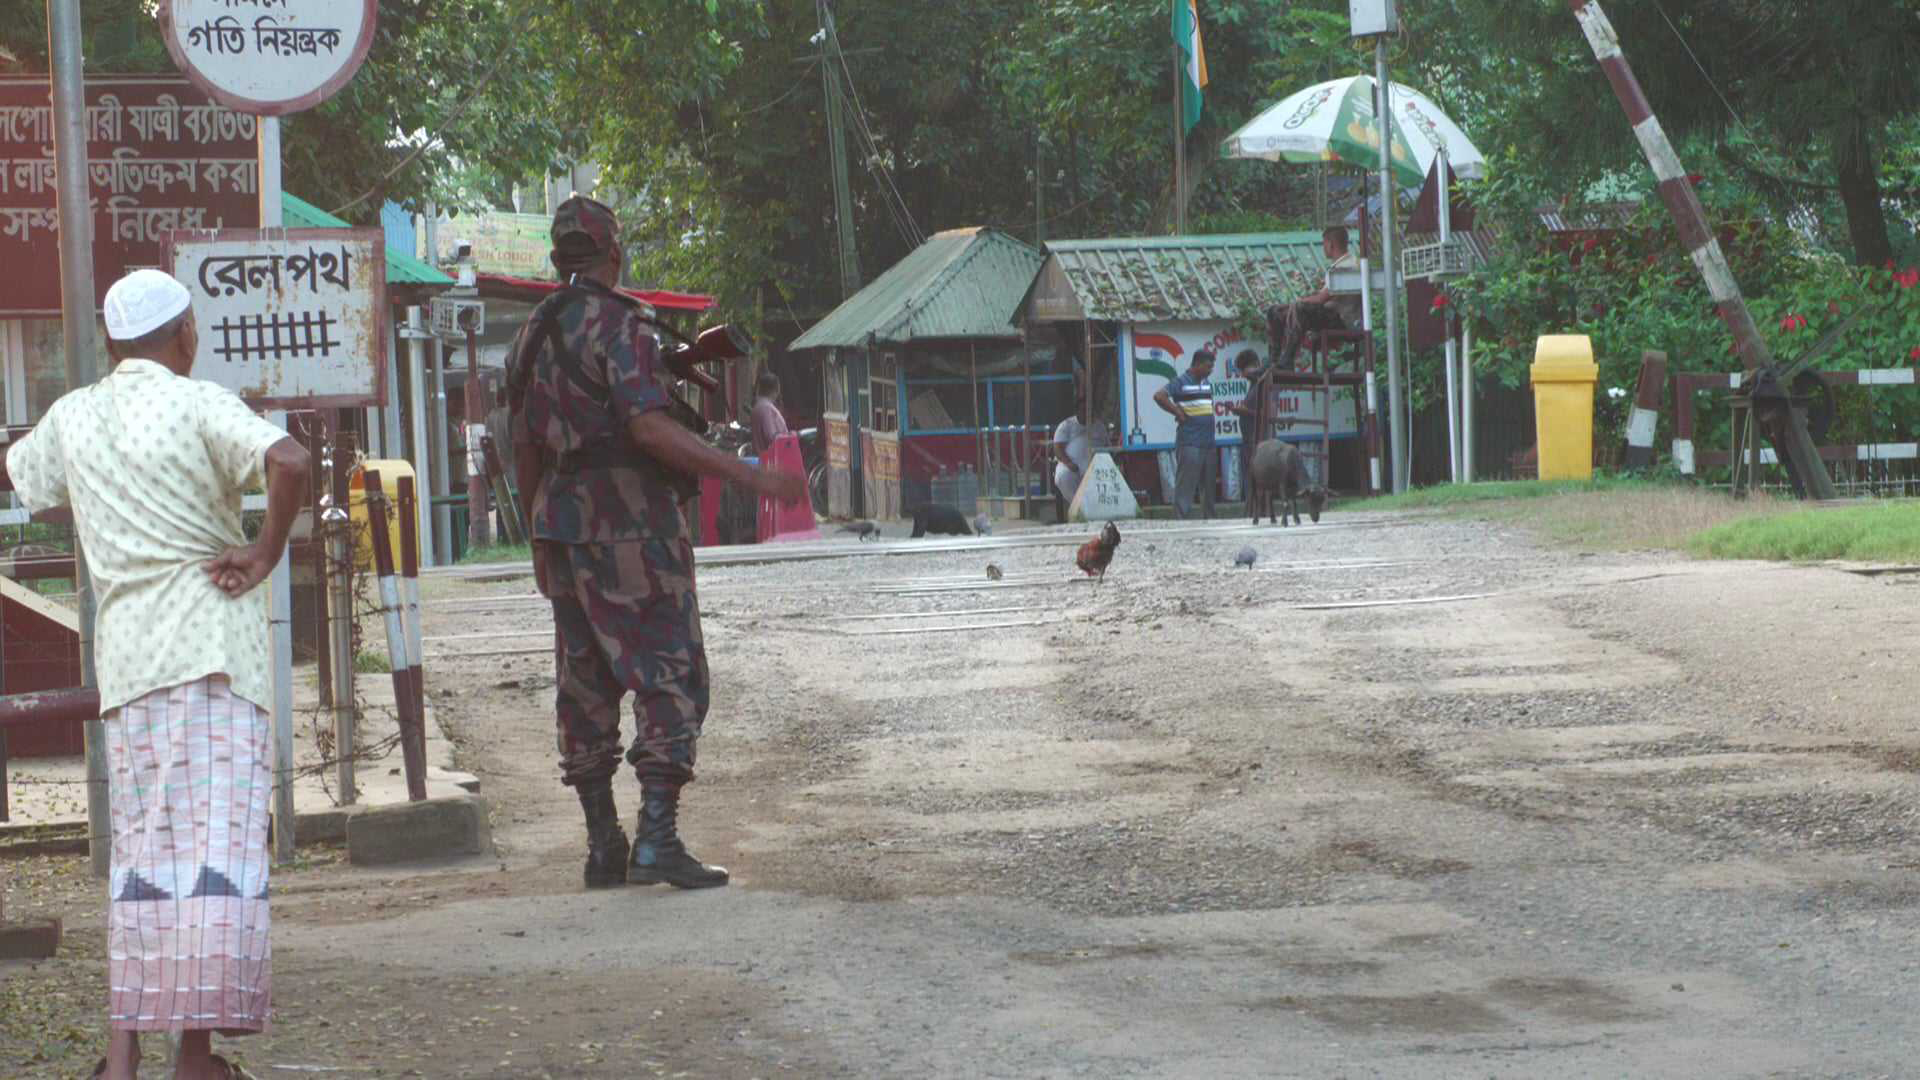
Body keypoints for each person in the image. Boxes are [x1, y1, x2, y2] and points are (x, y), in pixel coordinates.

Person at [6, 269, 311, 1080]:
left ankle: (121, 1058)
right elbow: (290, 460)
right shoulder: (197, 400)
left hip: (131, 657)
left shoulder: (74, 416)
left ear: (109, 344)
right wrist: (263, 550)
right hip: (211, 648)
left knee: (142, 859)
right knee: (212, 859)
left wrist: (108, 503)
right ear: (184, 335)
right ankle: (196, 1059)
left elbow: (24, 478)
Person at [506, 196, 805, 891]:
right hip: (632, 525)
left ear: (560, 257)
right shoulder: (622, 325)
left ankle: (603, 843)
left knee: (585, 684)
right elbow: (646, 428)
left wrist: (536, 533)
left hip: (563, 525)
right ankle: (658, 839)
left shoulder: (533, 331)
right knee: (670, 673)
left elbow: (523, 442)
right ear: (613, 253)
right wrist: (743, 472)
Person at [1266, 226, 1364, 371]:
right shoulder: (1339, 265)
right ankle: (1273, 361)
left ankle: (1287, 360)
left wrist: (1296, 303)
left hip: (1344, 321)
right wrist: (1290, 306)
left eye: (1324, 243)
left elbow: (1321, 299)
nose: (1323, 248)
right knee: (1275, 312)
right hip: (1332, 315)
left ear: (1330, 244)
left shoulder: (1348, 266)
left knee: (1300, 308)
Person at [1153, 347, 1217, 519]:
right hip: (1189, 442)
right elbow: (1159, 396)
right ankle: (1181, 521)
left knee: (1209, 487)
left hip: (1208, 442)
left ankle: (1210, 521)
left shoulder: (1206, 383)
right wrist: (1176, 411)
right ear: (1197, 365)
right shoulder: (1180, 381)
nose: (1210, 370)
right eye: (1208, 366)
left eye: (1212, 367)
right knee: (1186, 485)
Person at [1226, 348, 1273, 500]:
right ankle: (1253, 507)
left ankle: (1262, 507)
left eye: (1243, 370)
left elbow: (1268, 415)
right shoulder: (1253, 386)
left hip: (1260, 441)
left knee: (1261, 478)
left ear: (1255, 365)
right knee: (1252, 479)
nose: (1242, 375)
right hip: (1250, 441)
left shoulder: (1264, 383)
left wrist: (1243, 411)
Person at [1051, 411, 1092, 504]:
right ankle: (1078, 506)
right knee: (1063, 476)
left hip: (1095, 467)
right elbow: (1057, 448)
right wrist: (1068, 463)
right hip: (1070, 465)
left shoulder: (1099, 426)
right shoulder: (1066, 425)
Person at [749, 371, 789, 460]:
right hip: (771, 462)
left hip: (762, 459)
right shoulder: (766, 408)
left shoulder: (758, 406)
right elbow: (771, 437)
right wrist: (790, 436)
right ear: (776, 389)